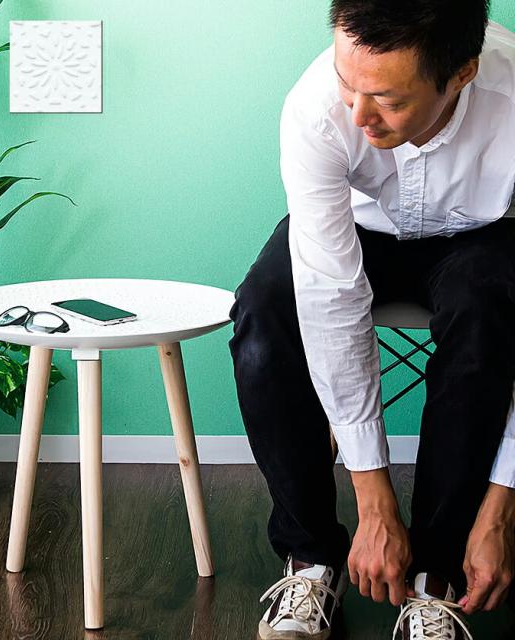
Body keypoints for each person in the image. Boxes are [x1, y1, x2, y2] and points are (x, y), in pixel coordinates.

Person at [227, 1, 515, 638]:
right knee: (263, 309)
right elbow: (330, 294)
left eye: (387, 99)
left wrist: (503, 506)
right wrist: (372, 495)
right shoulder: (314, 108)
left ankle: (436, 575)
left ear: (461, 75)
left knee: (486, 311)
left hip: (483, 235)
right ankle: (310, 559)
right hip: (357, 229)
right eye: (346, 83)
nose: (358, 116)